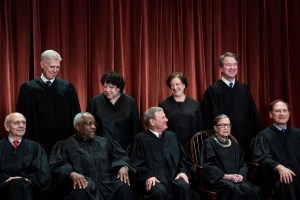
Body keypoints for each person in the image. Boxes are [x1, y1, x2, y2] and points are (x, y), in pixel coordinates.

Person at [49, 112, 136, 200]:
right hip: (84, 184)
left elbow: (121, 156)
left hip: (108, 183)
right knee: (80, 191)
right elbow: (56, 164)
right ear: (78, 127)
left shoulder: (105, 142)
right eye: (89, 124)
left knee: (123, 189)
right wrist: (71, 173)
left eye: (94, 123)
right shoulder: (65, 145)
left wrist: (123, 166)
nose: (93, 127)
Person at [16, 50, 81, 154]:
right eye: (52, 67)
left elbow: (75, 116)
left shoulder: (67, 88)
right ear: (42, 64)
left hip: (62, 141)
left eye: (58, 67)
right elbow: (21, 117)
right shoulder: (28, 88)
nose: (55, 70)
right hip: (36, 141)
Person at [130, 107, 200, 200]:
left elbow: (185, 159)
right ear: (152, 122)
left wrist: (183, 172)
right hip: (155, 180)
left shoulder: (172, 136)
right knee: (159, 191)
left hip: (175, 178)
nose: (166, 120)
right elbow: (135, 164)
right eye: (163, 118)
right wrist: (148, 176)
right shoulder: (140, 139)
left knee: (184, 187)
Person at [201, 52, 262, 159]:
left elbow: (253, 115)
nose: (232, 67)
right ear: (221, 68)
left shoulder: (244, 89)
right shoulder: (213, 90)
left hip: (245, 141)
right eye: (228, 65)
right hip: (222, 143)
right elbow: (208, 119)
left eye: (235, 65)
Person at [201, 114, 263, 200]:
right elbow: (208, 165)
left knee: (254, 190)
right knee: (234, 189)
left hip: (236, 179)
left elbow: (243, 164)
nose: (226, 128)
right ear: (215, 128)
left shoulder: (235, 145)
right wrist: (227, 176)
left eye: (228, 125)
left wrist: (241, 176)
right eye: (222, 125)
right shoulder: (209, 143)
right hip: (219, 179)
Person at [251, 100, 300, 200]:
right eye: (277, 111)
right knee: (288, 181)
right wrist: (278, 167)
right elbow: (261, 157)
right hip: (275, 176)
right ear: (271, 114)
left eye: (284, 110)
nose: (281, 114)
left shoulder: (297, 134)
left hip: (297, 172)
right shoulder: (263, 136)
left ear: (289, 114)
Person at [0, 112, 51, 200]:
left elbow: (43, 173)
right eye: (17, 123)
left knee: (20, 184)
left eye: (24, 122)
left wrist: (26, 180)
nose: (21, 126)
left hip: (29, 189)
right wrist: (9, 180)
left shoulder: (35, 147)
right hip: (3, 189)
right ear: (7, 127)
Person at [86, 71, 140, 150]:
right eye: (105, 86)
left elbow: (136, 128)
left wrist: (133, 147)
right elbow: (88, 125)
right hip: (100, 147)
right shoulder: (95, 101)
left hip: (124, 148)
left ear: (118, 88)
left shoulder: (130, 102)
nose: (107, 90)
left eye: (111, 87)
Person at [158, 72, 203, 149]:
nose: (175, 87)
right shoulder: (163, 105)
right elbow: (160, 128)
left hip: (192, 147)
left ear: (184, 85)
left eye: (177, 84)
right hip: (171, 147)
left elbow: (201, 127)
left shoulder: (195, 103)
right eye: (172, 85)